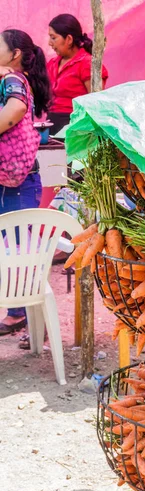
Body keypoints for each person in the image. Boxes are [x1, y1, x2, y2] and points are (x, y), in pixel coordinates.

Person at [0, 29, 51, 337]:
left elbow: (16, 108)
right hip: (15, 178)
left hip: (18, 180)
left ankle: (29, 317)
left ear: (15, 53)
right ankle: (20, 313)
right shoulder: (11, 77)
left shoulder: (13, 80)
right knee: (16, 248)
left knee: (19, 249)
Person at [47, 14, 108, 135]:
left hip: (76, 127)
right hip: (51, 122)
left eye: (53, 38)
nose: (49, 43)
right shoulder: (52, 64)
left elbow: (95, 101)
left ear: (69, 39)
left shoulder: (87, 64)